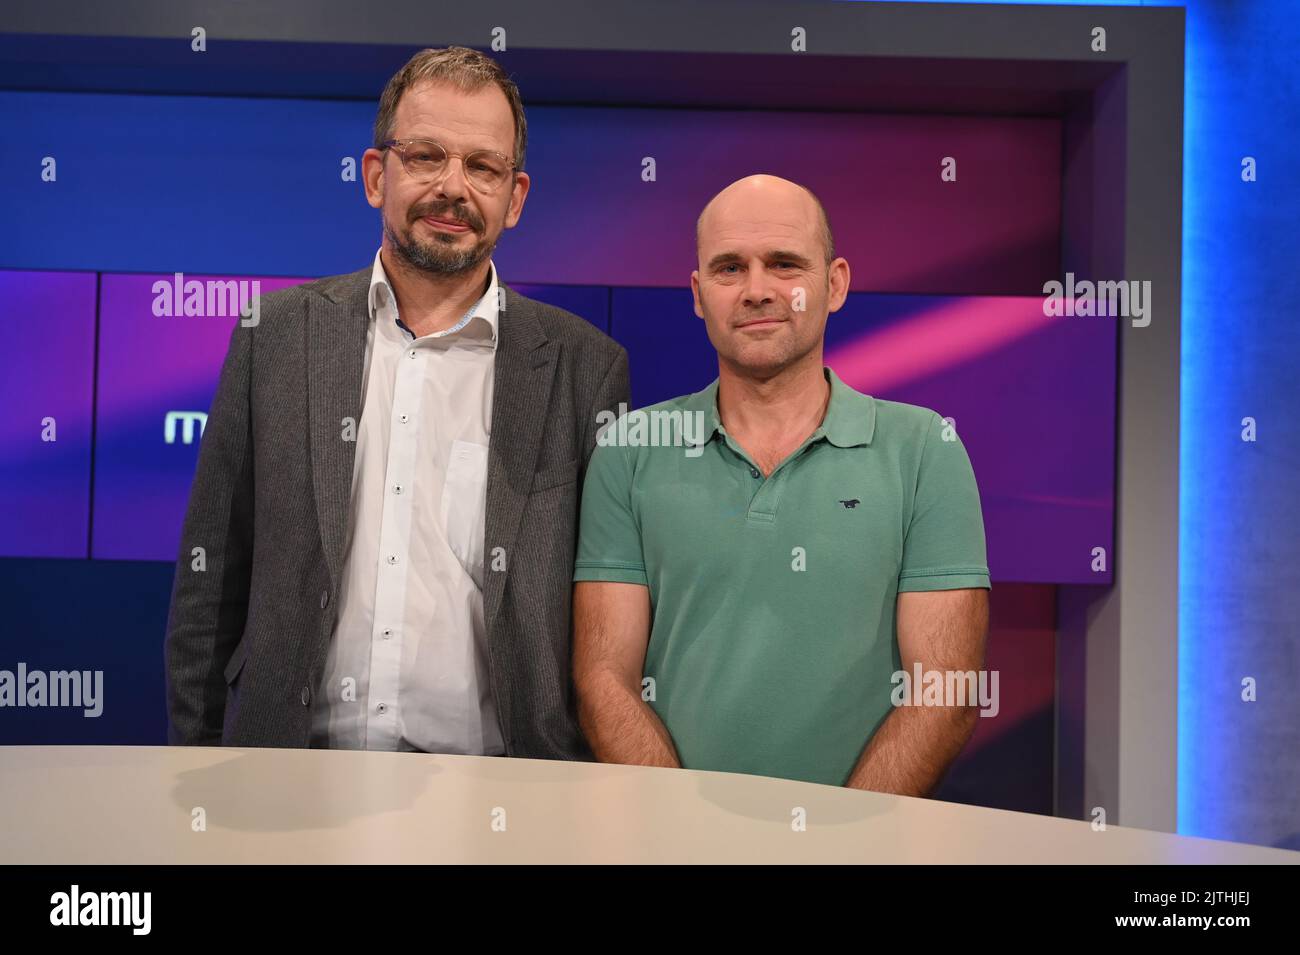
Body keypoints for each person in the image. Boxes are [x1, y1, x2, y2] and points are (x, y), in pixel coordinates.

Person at [166, 47, 628, 759]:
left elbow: (605, 622)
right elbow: (210, 583)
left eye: (483, 166)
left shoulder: (585, 369)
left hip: (507, 798)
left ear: (516, 196)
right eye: (426, 156)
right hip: (289, 779)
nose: (454, 188)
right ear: (377, 176)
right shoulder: (277, 337)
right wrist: (192, 771)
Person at [573, 174, 989, 792]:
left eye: (785, 264)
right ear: (697, 293)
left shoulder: (927, 449)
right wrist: (685, 838)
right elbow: (603, 683)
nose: (757, 290)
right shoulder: (630, 450)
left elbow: (946, 692)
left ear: (835, 283)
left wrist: (840, 844)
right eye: (729, 268)